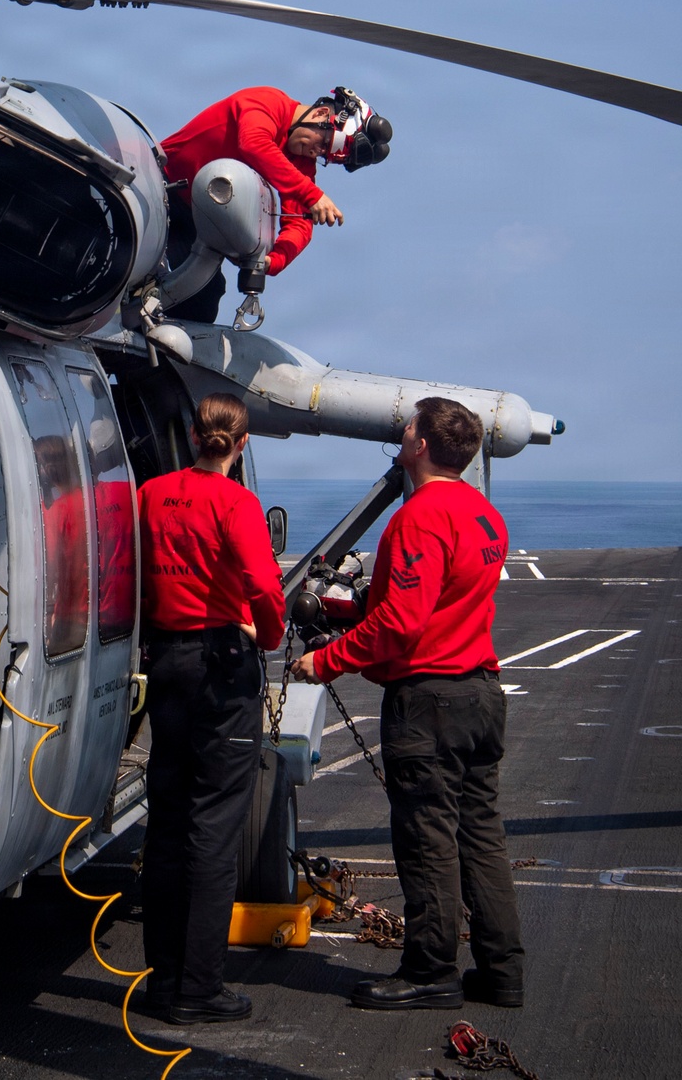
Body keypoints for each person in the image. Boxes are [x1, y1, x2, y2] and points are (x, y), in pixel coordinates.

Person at [292, 397, 524, 1012]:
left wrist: (326, 660)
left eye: (407, 428)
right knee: (481, 837)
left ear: (421, 445)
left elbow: (402, 620)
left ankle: (429, 971)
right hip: (480, 693)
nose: (401, 435)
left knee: (427, 841)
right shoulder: (485, 516)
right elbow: (438, 602)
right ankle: (502, 972)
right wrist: (349, 613)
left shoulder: (419, 517)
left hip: (432, 701)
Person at [136, 393, 285, 1024]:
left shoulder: (153, 493)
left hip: (165, 660)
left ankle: (164, 978)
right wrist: (269, 635)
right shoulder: (237, 502)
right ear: (241, 443)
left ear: (193, 437)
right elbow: (262, 585)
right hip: (219, 666)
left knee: (167, 820)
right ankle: (199, 989)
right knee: (214, 827)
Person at [160, 85, 390, 320]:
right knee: (134, 259)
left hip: (194, 222)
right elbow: (254, 143)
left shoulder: (300, 162)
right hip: (157, 188)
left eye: (324, 156)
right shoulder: (269, 102)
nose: (315, 154)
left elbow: (300, 224)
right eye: (324, 145)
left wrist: (273, 260)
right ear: (320, 114)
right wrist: (312, 195)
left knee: (202, 299)